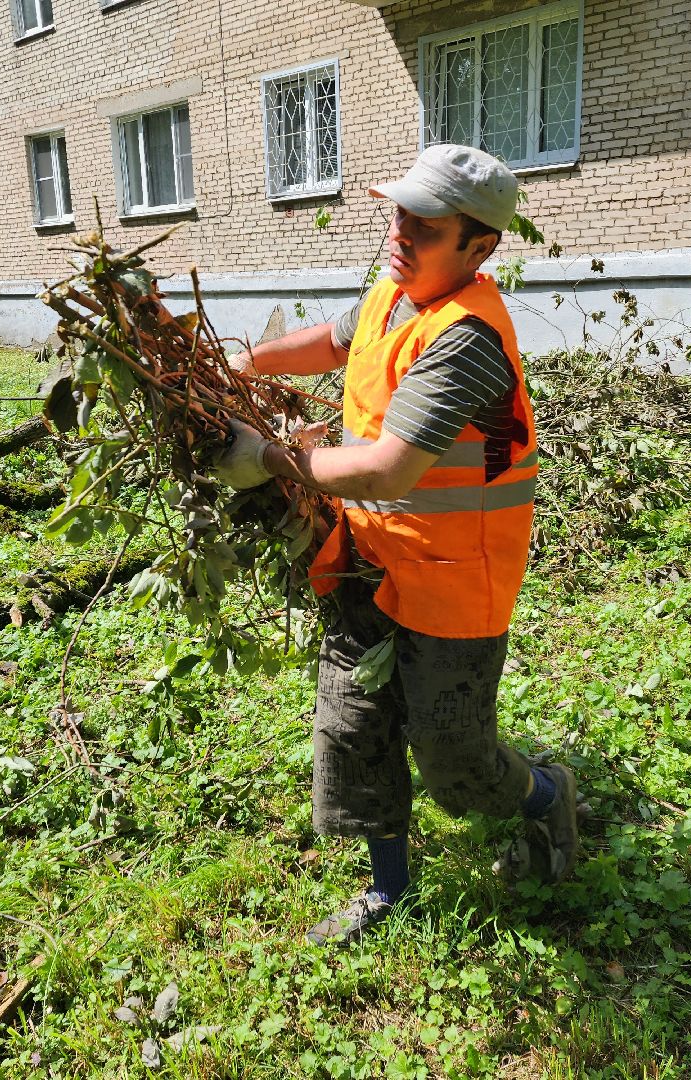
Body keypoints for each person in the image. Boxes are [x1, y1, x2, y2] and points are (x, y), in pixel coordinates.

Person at [215, 144, 577, 946]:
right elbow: (334, 341)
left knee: (456, 760)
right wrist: (248, 360)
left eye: (424, 224)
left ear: (479, 246)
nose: (399, 233)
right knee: (353, 728)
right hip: (367, 558)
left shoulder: (469, 338)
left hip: (455, 579)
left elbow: (387, 466)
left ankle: (547, 796)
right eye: (398, 214)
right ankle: (388, 889)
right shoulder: (395, 290)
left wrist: (271, 457)